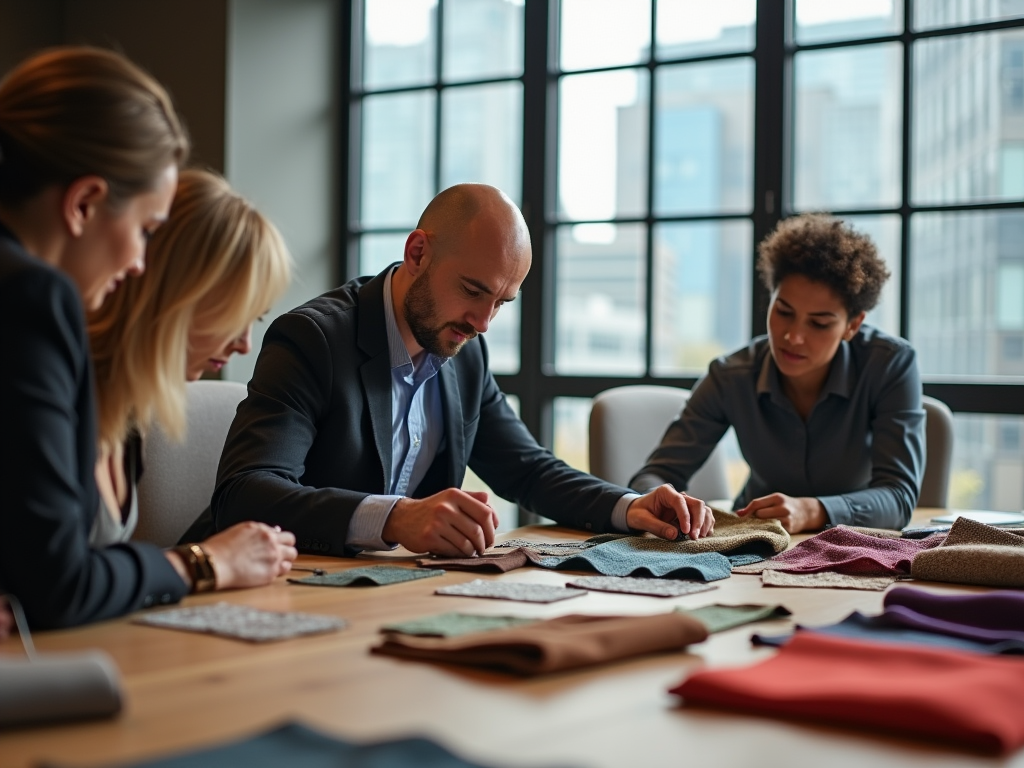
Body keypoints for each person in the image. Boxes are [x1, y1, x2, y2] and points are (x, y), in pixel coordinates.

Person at [191, 183, 713, 556]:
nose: (483, 323)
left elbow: (527, 468)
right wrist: (395, 517)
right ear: (417, 252)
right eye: (472, 291)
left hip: (387, 599)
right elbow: (247, 493)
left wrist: (629, 506)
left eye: (501, 303)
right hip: (268, 592)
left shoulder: (463, 351)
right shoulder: (315, 339)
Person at [0, 47, 289, 631]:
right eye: (144, 231)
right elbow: (59, 580)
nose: (139, 260)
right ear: (83, 204)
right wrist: (201, 565)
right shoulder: (33, 298)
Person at [632, 214, 925, 534]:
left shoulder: (889, 365)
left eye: (819, 323)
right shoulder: (731, 376)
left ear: (852, 325)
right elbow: (655, 475)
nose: (793, 337)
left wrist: (813, 510)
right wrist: (661, 499)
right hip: (753, 544)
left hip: (853, 543)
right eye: (784, 312)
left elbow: (898, 497)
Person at [87, 168, 297, 572]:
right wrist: (205, 563)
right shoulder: (56, 385)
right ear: (179, 294)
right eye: (236, 315)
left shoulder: (127, 409)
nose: (243, 344)